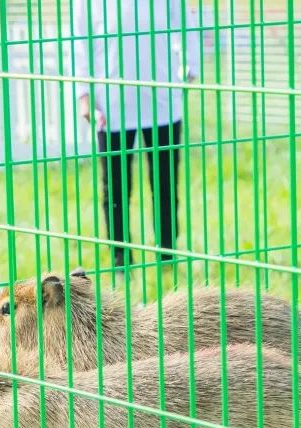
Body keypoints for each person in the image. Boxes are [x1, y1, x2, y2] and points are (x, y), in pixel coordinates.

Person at [71, 0, 199, 269]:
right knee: (115, 188)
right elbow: (79, 43)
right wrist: (84, 94)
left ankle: (167, 256)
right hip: (111, 104)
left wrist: (189, 67)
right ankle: (121, 260)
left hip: (162, 99)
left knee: (165, 181)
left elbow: (187, 26)